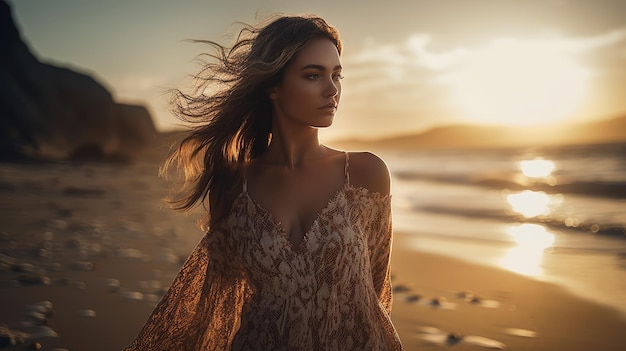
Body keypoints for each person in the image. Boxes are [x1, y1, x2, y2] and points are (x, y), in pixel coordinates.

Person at [124, 14, 402, 350]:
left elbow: (375, 293)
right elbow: (218, 302)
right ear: (272, 86)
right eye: (313, 75)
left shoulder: (366, 173)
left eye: (337, 75)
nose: (333, 90)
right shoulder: (232, 184)